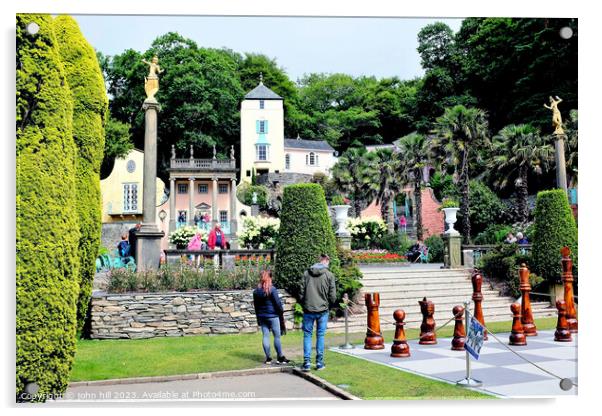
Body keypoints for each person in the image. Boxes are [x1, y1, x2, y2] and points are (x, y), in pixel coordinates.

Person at [299, 254, 336, 372]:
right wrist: (329, 303)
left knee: (307, 335)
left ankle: (307, 363)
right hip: (323, 310)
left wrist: (304, 303)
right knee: (320, 335)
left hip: (308, 309)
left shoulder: (306, 274)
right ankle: (319, 363)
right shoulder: (329, 275)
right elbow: (333, 296)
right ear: (326, 261)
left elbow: (301, 292)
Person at [252, 270, 289, 365]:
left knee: (265, 336)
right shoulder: (272, 289)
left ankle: (268, 358)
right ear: (269, 278)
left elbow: (256, 307)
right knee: (277, 337)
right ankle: (280, 357)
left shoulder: (256, 291)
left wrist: (258, 319)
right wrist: (281, 312)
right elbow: (278, 304)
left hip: (262, 317)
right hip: (273, 316)